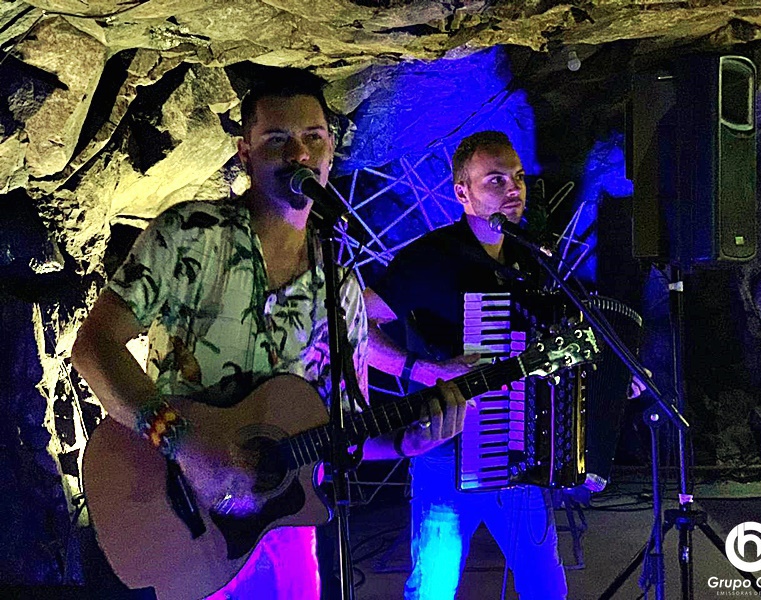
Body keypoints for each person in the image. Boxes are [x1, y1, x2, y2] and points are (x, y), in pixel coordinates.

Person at [71, 67, 467, 600]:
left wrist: (406, 441)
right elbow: (93, 346)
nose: (299, 153)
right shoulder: (190, 236)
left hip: (287, 529)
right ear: (245, 154)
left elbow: (340, 432)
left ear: (330, 153)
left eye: (313, 138)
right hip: (180, 514)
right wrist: (186, 444)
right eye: (277, 139)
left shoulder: (341, 286)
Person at [364, 130, 569, 599]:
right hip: (443, 448)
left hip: (518, 449)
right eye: (495, 180)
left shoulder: (531, 259)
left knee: (546, 585)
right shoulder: (429, 259)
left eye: (518, 177)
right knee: (433, 588)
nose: (513, 189)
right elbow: (354, 326)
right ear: (463, 192)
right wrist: (425, 370)